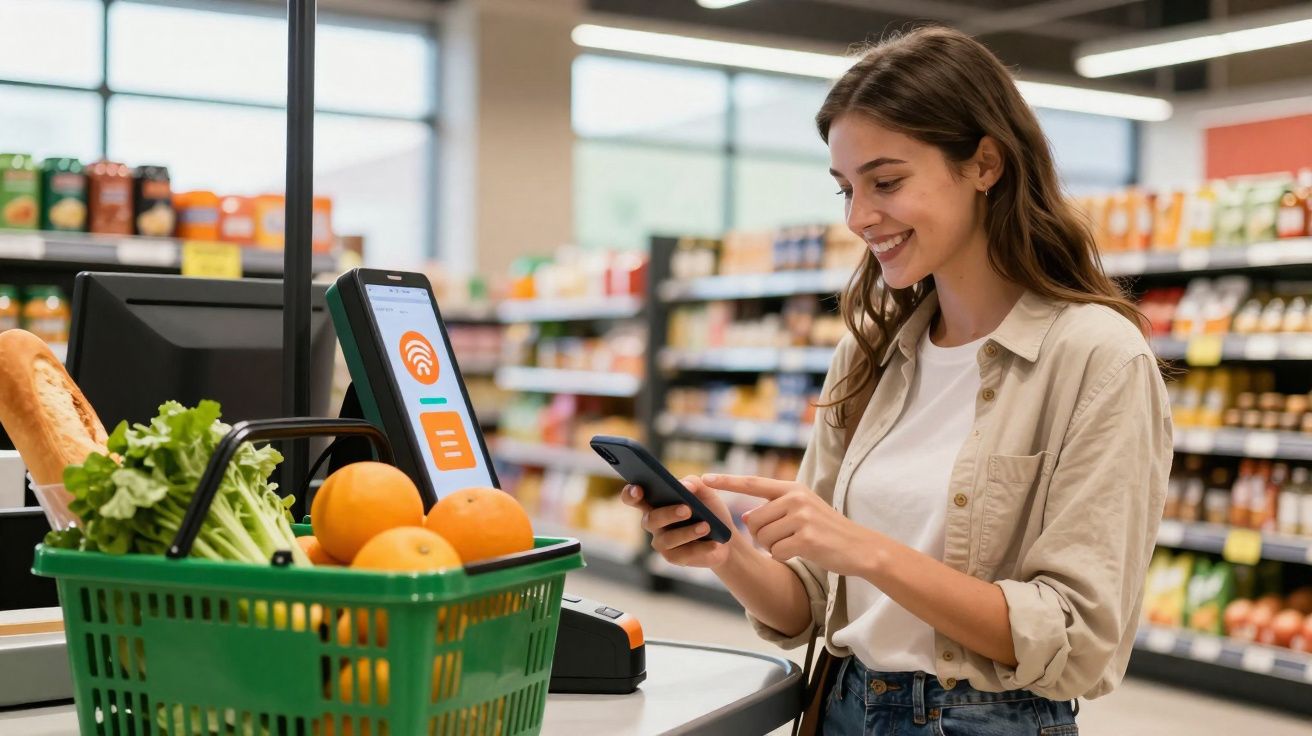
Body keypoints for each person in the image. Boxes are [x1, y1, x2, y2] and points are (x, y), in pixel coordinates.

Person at [622, 25, 1171, 735]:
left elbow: (1076, 637)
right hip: (839, 705)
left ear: (985, 164)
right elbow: (806, 606)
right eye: (847, 189)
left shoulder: (1096, 358)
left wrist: (868, 550)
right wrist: (727, 551)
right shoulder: (871, 352)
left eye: (886, 182)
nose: (858, 217)